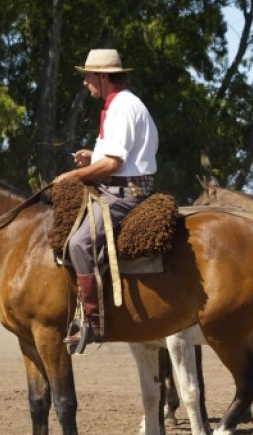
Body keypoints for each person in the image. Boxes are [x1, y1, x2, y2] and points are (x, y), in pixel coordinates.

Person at [56, 48, 159, 347]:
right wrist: (92, 156)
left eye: (88, 75)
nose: (85, 81)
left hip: (124, 194)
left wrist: (70, 177)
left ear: (103, 77)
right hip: (116, 187)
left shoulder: (122, 107)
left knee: (79, 243)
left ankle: (94, 322)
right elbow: (114, 156)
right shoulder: (119, 104)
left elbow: (114, 164)